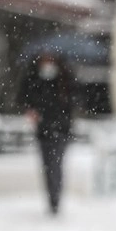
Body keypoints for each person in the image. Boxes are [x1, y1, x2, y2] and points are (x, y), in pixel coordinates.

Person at [17, 52, 76, 215]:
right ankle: (52, 198)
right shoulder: (34, 78)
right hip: (44, 130)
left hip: (61, 130)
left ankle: (55, 199)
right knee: (48, 165)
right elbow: (24, 98)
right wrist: (31, 110)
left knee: (55, 164)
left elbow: (73, 101)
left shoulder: (65, 78)